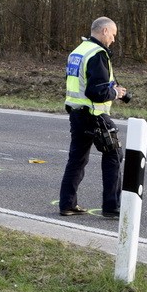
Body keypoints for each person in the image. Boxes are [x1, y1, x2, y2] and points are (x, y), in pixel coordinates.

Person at [59, 16, 127, 219]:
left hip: (77, 113)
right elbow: (96, 92)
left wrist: (114, 88)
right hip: (94, 114)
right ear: (105, 31)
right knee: (114, 155)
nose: (113, 40)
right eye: (113, 35)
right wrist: (117, 94)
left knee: (77, 160)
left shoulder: (78, 52)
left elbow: (81, 82)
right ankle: (112, 207)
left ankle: (67, 204)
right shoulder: (98, 54)